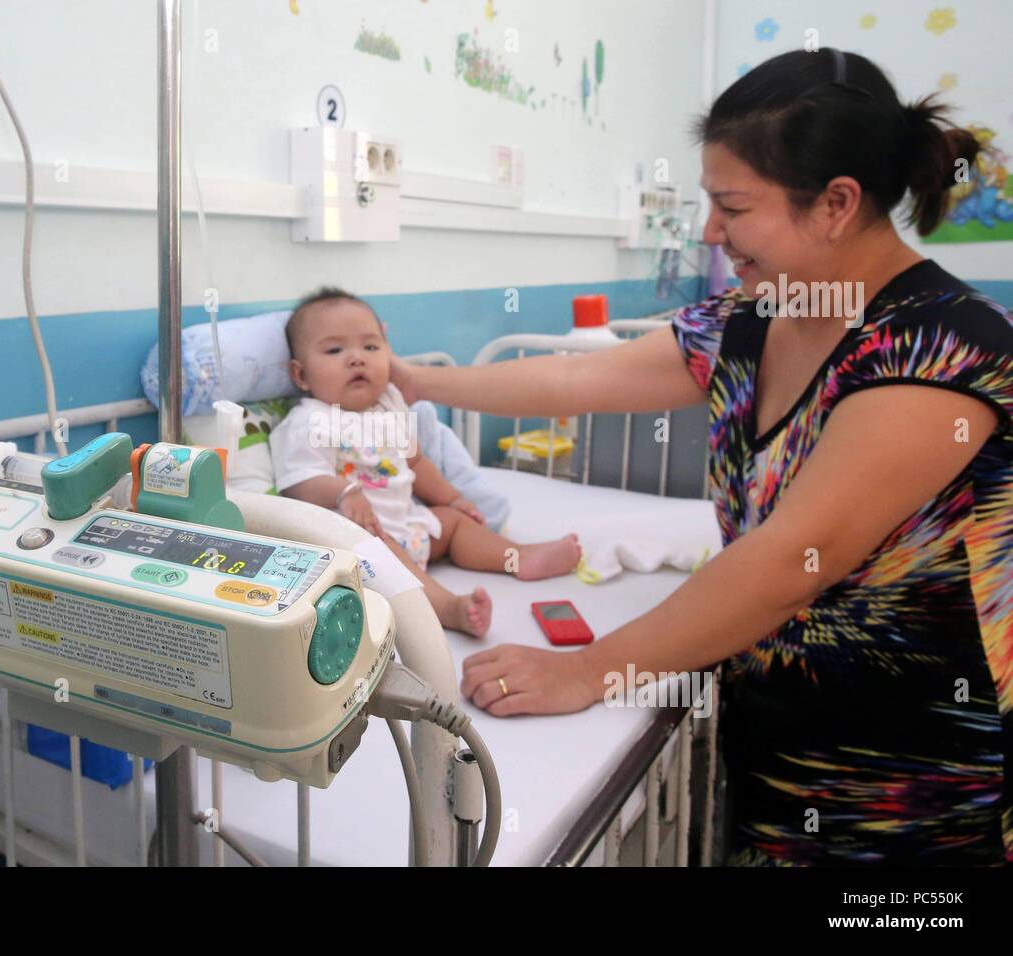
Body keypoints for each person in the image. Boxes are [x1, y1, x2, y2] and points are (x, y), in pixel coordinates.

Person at [390, 49, 1013, 865]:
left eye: (731, 206)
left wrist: (594, 671)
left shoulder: (942, 351)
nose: (710, 232)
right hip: (776, 736)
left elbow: (789, 560)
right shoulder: (754, 318)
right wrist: (410, 379)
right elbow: (575, 377)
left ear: (836, 203)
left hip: (912, 778)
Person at [269, 288, 583, 638]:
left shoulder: (389, 403)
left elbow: (415, 463)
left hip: (410, 528)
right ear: (300, 375)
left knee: (455, 524)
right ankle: (450, 608)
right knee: (383, 554)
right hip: (362, 544)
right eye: (335, 350)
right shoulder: (310, 421)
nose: (356, 358)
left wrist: (451, 499)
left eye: (370, 347)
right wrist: (345, 492)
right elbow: (300, 482)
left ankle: (518, 556)